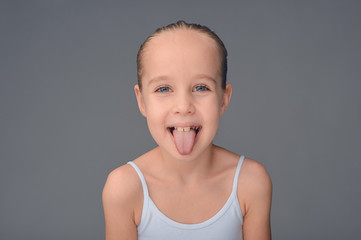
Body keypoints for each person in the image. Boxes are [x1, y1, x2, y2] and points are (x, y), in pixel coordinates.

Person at [102, 20, 272, 240]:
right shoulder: (124, 188)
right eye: (164, 88)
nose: (183, 107)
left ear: (224, 98)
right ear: (141, 100)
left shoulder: (250, 182)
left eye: (201, 87)